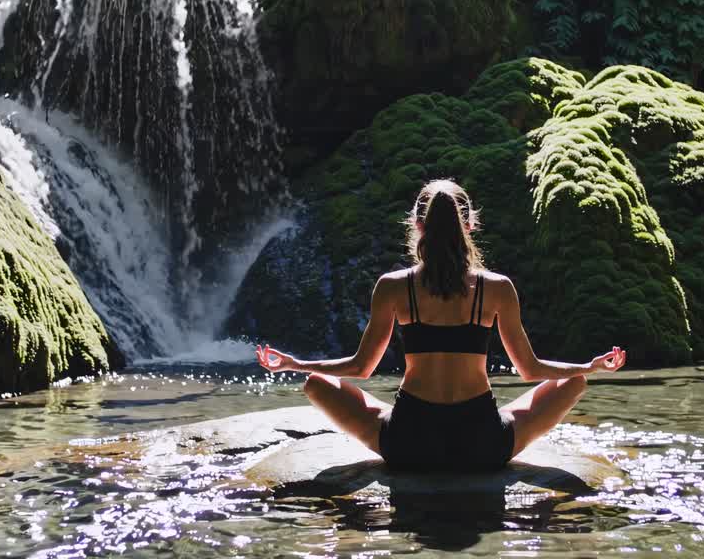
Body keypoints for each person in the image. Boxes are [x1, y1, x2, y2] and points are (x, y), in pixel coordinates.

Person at [255, 179, 627, 472]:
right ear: (469, 225)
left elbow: (360, 368)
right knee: (573, 383)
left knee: (316, 384)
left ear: (417, 225)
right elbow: (530, 370)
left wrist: (295, 364)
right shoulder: (496, 288)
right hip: (481, 444)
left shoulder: (393, 286)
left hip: (410, 444)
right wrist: (588, 367)